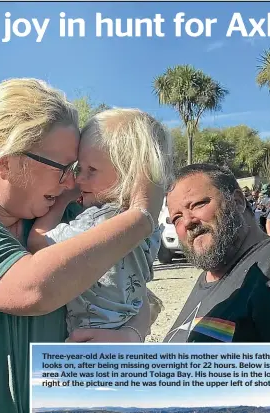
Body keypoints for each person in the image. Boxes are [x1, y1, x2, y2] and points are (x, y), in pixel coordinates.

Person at [0, 79, 165, 413]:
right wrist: (141, 218)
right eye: (64, 168)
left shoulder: (66, 213)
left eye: (78, 169)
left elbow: (130, 286)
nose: (72, 183)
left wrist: (133, 334)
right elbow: (30, 289)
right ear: (6, 162)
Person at [162, 164, 270, 409]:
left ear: (237, 201)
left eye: (198, 205)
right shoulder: (211, 279)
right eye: (177, 218)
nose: (188, 222)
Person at [27, 108, 171, 333]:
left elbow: (38, 244)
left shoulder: (99, 220)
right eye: (79, 169)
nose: (79, 179)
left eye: (91, 170)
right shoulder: (149, 228)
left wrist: (62, 200)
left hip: (88, 336)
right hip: (124, 326)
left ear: (128, 174)